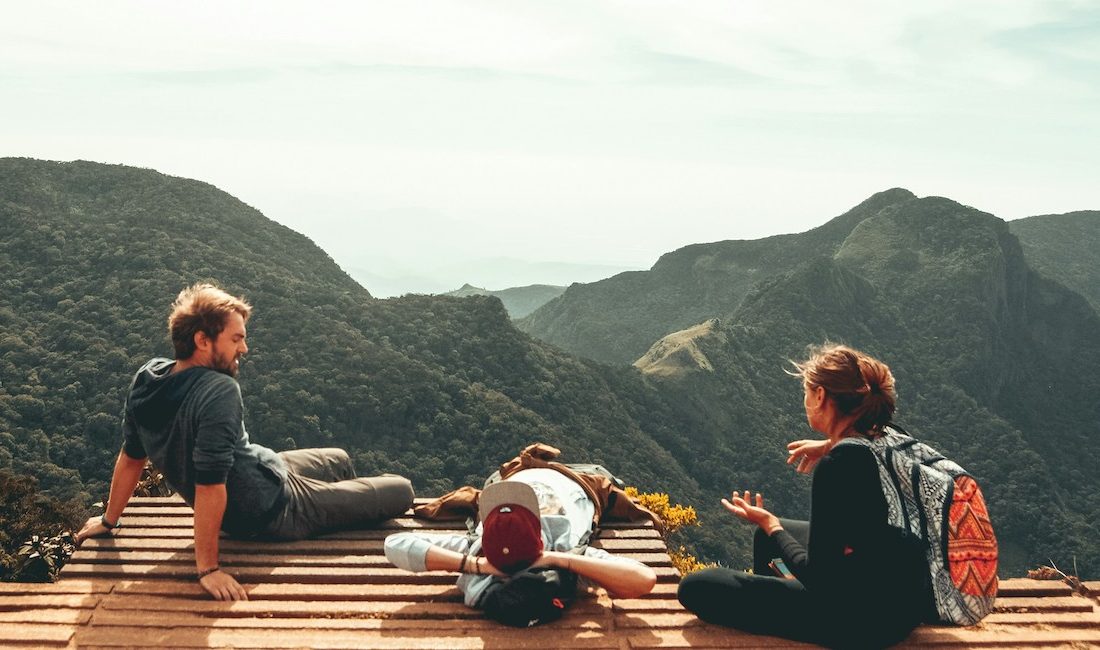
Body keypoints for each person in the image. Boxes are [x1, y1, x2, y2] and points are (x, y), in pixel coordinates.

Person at [75, 282, 414, 601]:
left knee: (339, 458)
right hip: (272, 508)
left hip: (265, 468)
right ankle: (338, 507)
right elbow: (209, 484)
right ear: (203, 341)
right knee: (402, 490)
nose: (244, 348)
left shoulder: (148, 378)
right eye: (236, 339)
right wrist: (208, 568)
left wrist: (109, 520)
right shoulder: (218, 390)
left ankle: (343, 503)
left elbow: (132, 456)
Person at [677, 344, 933, 649]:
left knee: (696, 586)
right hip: (903, 602)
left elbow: (820, 581)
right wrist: (829, 443)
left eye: (807, 392)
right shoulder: (889, 434)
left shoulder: (836, 467)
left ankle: (790, 614)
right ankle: (782, 608)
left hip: (862, 623)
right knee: (765, 538)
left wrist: (772, 523)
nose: (806, 400)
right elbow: (863, 446)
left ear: (821, 395)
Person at [384, 463, 657, 620]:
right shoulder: (564, 548)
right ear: (538, 529)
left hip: (510, 475)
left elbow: (394, 544)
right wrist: (556, 559)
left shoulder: (479, 548)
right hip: (577, 478)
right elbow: (644, 579)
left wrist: (477, 565)